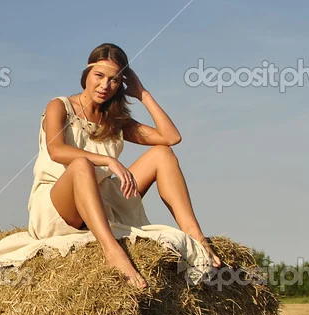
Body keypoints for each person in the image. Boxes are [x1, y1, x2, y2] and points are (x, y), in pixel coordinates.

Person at [27, 43, 221, 289]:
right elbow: (56, 150)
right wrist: (108, 160)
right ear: (86, 74)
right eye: (99, 75)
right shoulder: (60, 106)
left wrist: (142, 94)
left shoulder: (115, 120)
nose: (105, 85)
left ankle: (195, 235)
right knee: (82, 164)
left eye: (115, 80)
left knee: (162, 154)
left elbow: (171, 137)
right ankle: (112, 251)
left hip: (100, 199)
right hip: (59, 203)